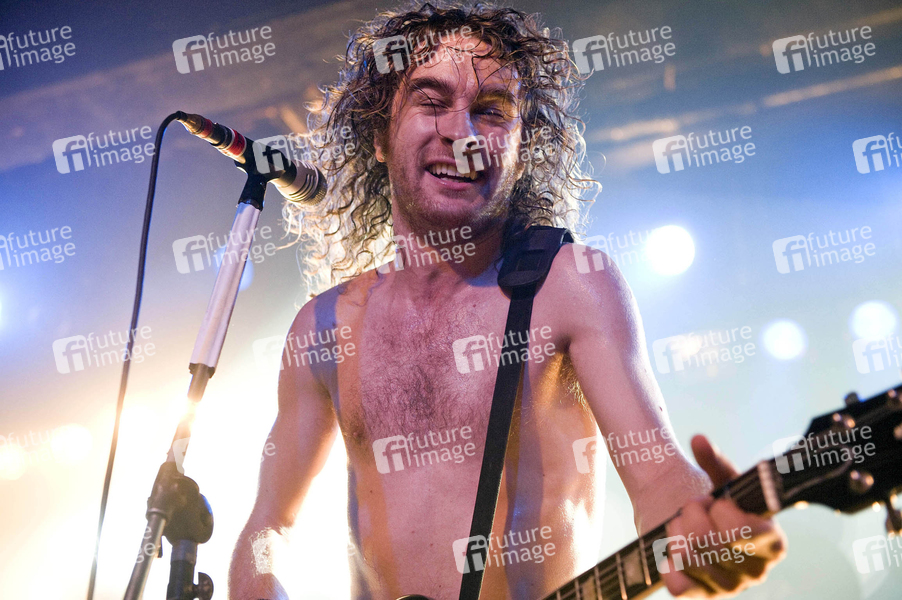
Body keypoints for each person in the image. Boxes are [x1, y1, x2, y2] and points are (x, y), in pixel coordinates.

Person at [228, 3, 786, 598]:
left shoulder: (569, 285)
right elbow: (270, 525)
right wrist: (260, 584)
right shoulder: (323, 325)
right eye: (432, 102)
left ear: (522, 149)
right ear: (379, 137)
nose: (462, 135)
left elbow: (659, 479)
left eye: (491, 111)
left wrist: (710, 525)